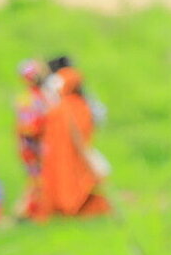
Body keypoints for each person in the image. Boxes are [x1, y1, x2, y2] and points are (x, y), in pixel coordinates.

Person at [27, 67, 111, 221]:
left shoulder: (65, 107)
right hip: (70, 154)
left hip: (65, 155)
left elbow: (74, 134)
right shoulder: (80, 106)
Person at [14, 60, 47, 216]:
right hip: (35, 146)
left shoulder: (32, 97)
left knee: (38, 179)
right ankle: (27, 211)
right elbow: (26, 128)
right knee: (36, 180)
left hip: (33, 146)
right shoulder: (31, 99)